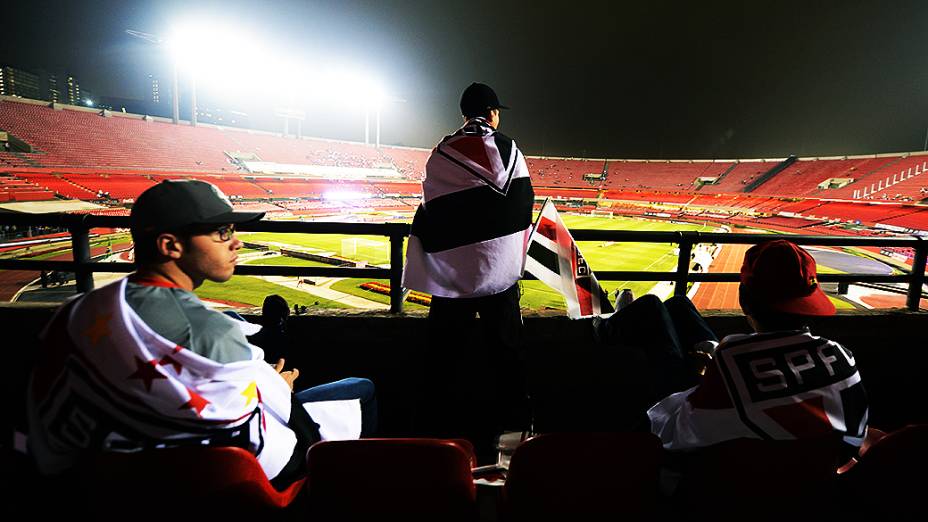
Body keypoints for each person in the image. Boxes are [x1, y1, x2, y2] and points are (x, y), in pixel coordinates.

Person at [27, 179, 375, 490]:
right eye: (222, 232)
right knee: (361, 387)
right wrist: (280, 393)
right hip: (222, 488)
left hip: (98, 485)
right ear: (170, 246)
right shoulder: (211, 333)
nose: (236, 242)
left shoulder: (75, 310)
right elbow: (277, 453)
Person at [403, 83, 534, 458]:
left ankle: (432, 436)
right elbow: (523, 206)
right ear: (493, 113)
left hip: (453, 277)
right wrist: (496, 250)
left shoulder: (441, 153)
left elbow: (432, 211)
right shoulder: (512, 150)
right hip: (501, 275)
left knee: (442, 355)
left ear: (463, 114)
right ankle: (514, 432)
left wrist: (460, 249)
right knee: (507, 354)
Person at [647, 240, 868, 461]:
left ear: (744, 300)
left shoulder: (731, 359)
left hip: (729, 480)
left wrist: (700, 379)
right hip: (818, 478)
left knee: (652, 307)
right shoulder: (842, 355)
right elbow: (854, 439)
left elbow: (670, 435)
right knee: (678, 305)